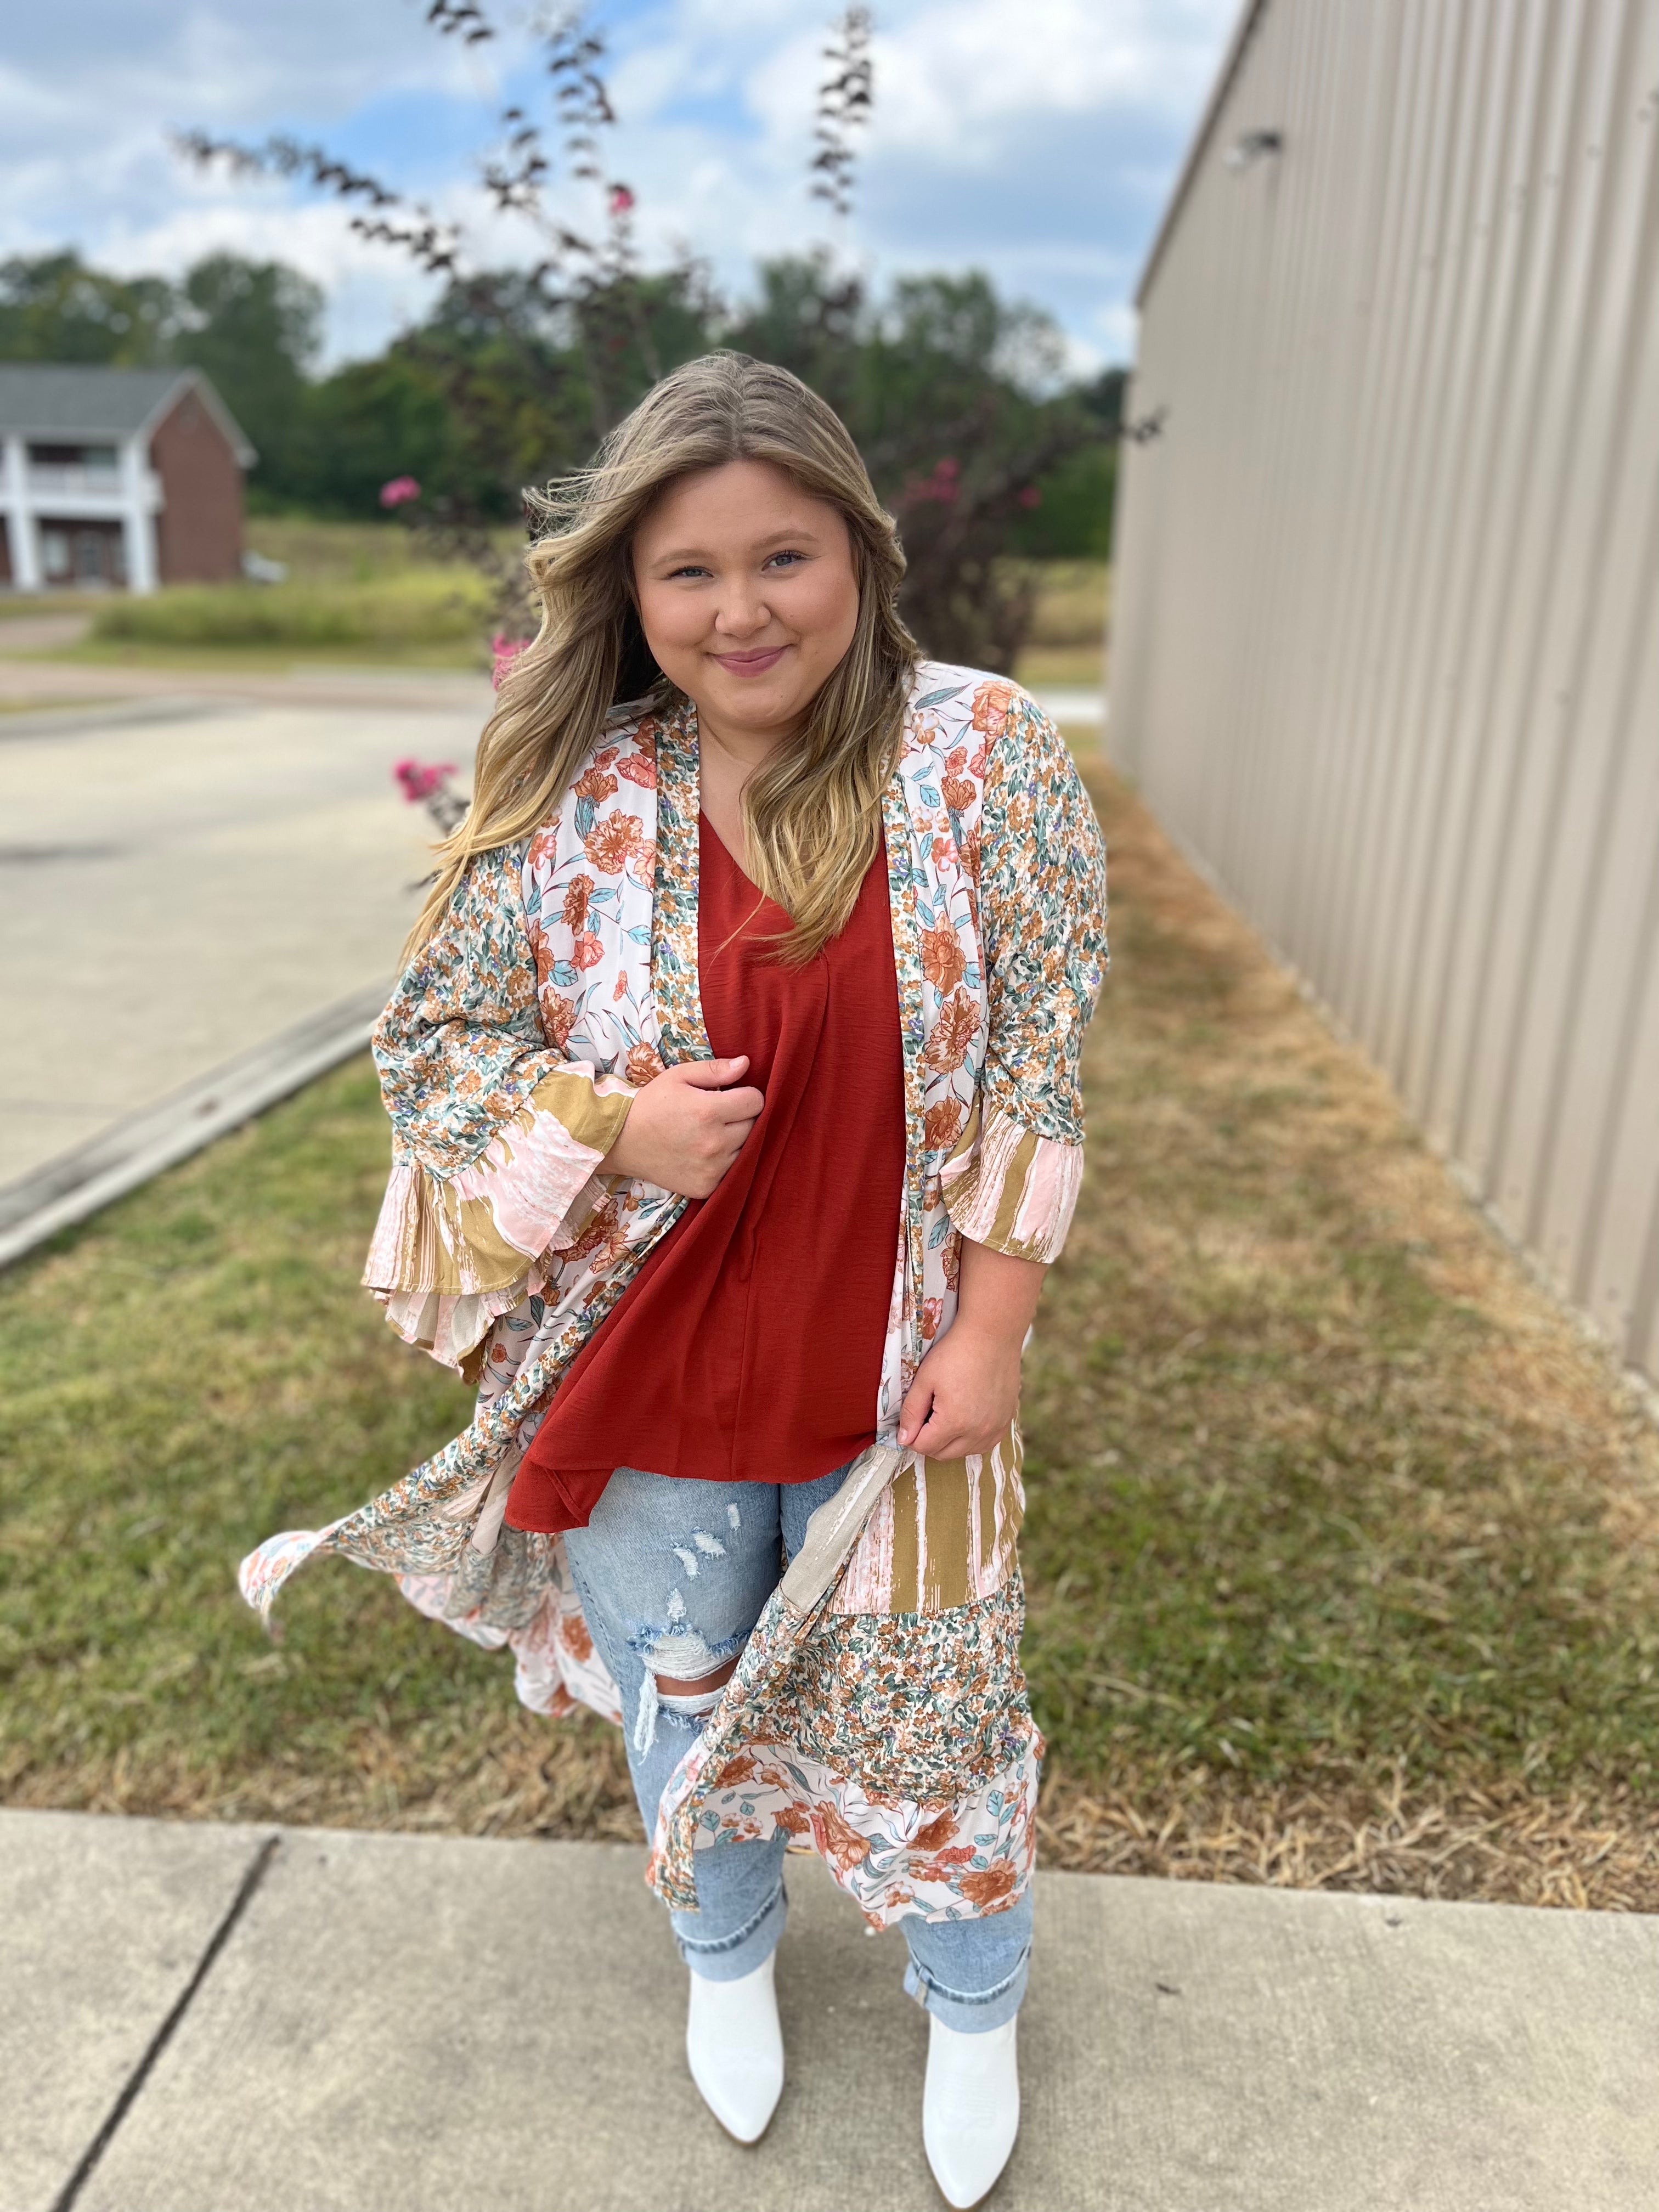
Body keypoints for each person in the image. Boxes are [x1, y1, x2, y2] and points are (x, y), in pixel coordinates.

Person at [242, 351, 1107, 2206]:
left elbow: (1038, 1065)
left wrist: (996, 1327)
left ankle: (974, 2004)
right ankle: (726, 1964)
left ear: (859, 554)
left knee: (938, 1708)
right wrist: (612, 1127)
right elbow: (432, 1043)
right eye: (688, 571)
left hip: (896, 1379)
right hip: (646, 1378)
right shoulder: (584, 786)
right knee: (684, 1701)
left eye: (783, 557)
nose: (740, 611)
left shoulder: (980, 755)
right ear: (629, 588)